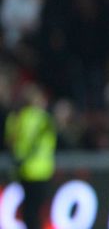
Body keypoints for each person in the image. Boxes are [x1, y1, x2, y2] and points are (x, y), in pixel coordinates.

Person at [5, 82, 57, 229]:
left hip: (22, 170)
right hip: (41, 171)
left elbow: (10, 141)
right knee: (37, 211)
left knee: (28, 210)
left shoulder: (16, 117)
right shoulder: (44, 119)